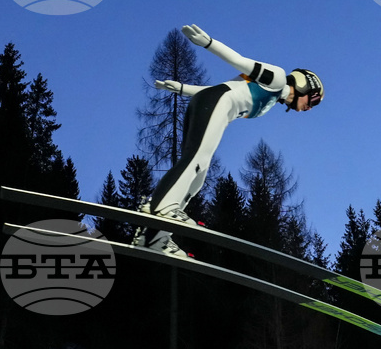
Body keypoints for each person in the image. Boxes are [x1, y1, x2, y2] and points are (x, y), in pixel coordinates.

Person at [134, 23, 323, 257]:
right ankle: (161, 207)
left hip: (212, 103)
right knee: (196, 161)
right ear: (304, 85)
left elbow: (223, 87)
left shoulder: (272, 98)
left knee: (198, 177)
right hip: (216, 104)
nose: (309, 108)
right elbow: (240, 61)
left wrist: (183, 89)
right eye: (312, 101)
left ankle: (153, 237)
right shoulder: (276, 78)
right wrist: (208, 43)